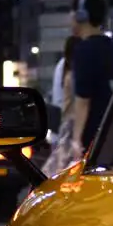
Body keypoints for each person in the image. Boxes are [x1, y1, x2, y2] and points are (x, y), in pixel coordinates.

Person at [70, 0, 113, 154]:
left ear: (81, 16)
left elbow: (83, 101)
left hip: (93, 138)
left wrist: (76, 140)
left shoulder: (84, 51)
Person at [42, 35, 83, 175]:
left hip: (63, 127)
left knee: (57, 171)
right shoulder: (74, 73)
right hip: (70, 128)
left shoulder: (63, 68)